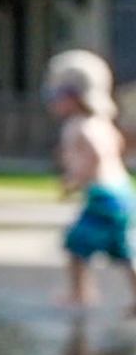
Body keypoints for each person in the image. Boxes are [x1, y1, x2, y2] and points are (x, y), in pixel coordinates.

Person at [46, 48, 136, 309]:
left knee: (76, 244)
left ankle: (80, 293)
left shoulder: (80, 125)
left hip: (103, 195)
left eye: (57, 96)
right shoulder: (101, 121)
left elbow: (97, 152)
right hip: (121, 192)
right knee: (123, 250)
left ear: (74, 96)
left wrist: (76, 177)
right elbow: (117, 144)